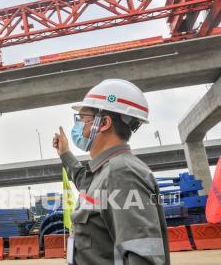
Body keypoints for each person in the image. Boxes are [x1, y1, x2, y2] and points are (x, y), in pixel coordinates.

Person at [52, 79, 170, 264]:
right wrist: (65, 154)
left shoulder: (122, 174)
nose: (79, 127)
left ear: (104, 123)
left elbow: (143, 257)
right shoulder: (106, 171)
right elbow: (86, 184)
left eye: (83, 119)